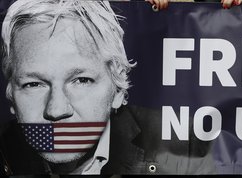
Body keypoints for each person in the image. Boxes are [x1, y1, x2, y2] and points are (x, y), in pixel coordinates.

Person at [0, 0, 215, 175]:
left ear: (118, 90)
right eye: (34, 84)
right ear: (11, 94)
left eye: (81, 80)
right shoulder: (6, 150)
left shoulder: (183, 144)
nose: (56, 110)